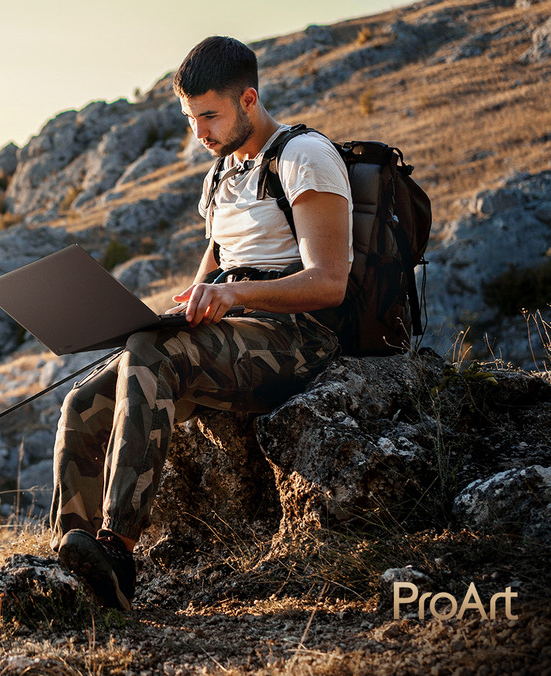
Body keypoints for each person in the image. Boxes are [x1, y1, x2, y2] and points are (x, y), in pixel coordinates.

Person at [50, 35, 353, 611]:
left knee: (152, 354)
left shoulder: (303, 157)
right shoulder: (219, 176)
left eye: (209, 116)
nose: (200, 133)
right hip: (237, 334)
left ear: (248, 99)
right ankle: (70, 553)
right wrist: (175, 310)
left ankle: (116, 551)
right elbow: (207, 277)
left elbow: (329, 281)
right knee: (84, 402)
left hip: (301, 336)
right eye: (191, 118)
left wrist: (233, 296)